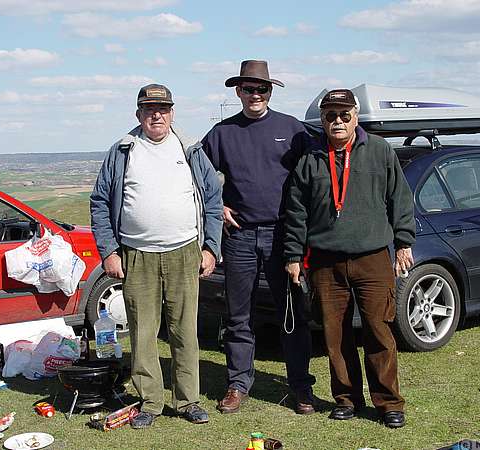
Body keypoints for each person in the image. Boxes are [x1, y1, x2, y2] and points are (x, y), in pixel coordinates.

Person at [90, 83, 223, 428]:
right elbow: (100, 202)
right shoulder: (123, 150)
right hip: (137, 254)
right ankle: (150, 400)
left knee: (184, 331)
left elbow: (212, 199)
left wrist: (211, 246)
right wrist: (108, 250)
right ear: (139, 115)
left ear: (172, 113)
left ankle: (187, 400)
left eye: (162, 109)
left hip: (184, 252)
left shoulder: (190, 149)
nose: (157, 115)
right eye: (149, 110)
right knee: (143, 332)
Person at [283, 89, 415, 428]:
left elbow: (399, 198)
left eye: (344, 115)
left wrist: (404, 242)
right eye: (331, 116)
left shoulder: (380, 151)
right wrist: (294, 255)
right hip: (325, 261)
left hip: (372, 257)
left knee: (379, 331)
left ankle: (388, 403)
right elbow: (296, 212)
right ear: (323, 121)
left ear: (355, 116)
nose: (338, 121)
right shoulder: (311, 160)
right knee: (335, 335)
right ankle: (346, 398)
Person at [202, 60, 316, 414]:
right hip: (240, 237)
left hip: (283, 236)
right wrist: (217, 205)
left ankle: (299, 387)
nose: (255, 95)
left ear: (270, 91)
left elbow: (316, 175)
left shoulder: (292, 129)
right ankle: (238, 384)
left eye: (261, 89)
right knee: (239, 316)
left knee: (292, 314)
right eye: (248, 89)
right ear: (237, 91)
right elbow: (195, 173)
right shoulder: (222, 133)